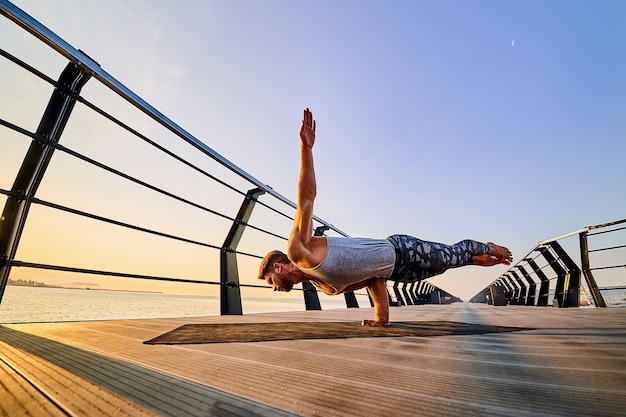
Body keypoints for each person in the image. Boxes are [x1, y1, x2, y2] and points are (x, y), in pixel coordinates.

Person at [258, 108, 513, 327]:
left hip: (402, 248)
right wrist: (382, 319)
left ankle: (487, 247)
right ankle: (474, 260)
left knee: (450, 254)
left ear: (278, 267)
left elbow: (307, 199)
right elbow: (372, 278)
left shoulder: (298, 251)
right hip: (397, 273)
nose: (274, 287)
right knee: (445, 266)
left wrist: (306, 148)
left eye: (271, 280)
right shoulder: (323, 286)